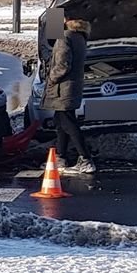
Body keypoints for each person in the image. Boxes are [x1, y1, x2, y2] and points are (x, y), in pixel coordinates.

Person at [45, 13, 96, 173]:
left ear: (66, 21)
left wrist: (51, 78)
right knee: (61, 121)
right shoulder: (79, 36)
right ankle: (61, 156)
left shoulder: (64, 38)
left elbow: (62, 65)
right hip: (73, 86)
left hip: (63, 87)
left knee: (67, 122)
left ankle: (85, 158)